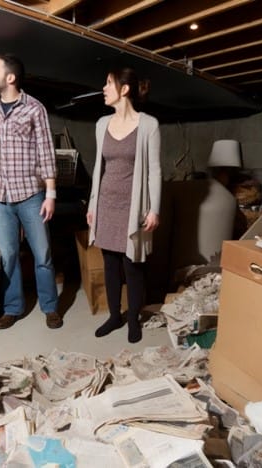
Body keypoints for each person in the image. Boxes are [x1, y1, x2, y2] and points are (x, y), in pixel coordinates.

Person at [0, 52, 62, 330]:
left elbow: (46, 152)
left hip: (30, 195)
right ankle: (12, 308)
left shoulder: (34, 108)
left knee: (42, 254)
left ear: (10, 77)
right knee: (8, 256)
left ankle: (50, 307)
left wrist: (50, 194)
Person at [86, 67, 162, 343]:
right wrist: (92, 205)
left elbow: (154, 170)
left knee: (133, 264)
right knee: (110, 263)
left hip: (133, 207)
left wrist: (154, 209)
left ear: (125, 89)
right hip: (106, 204)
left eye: (108, 83)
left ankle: (133, 320)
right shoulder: (101, 124)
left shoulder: (149, 125)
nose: (104, 88)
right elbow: (99, 168)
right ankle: (114, 316)